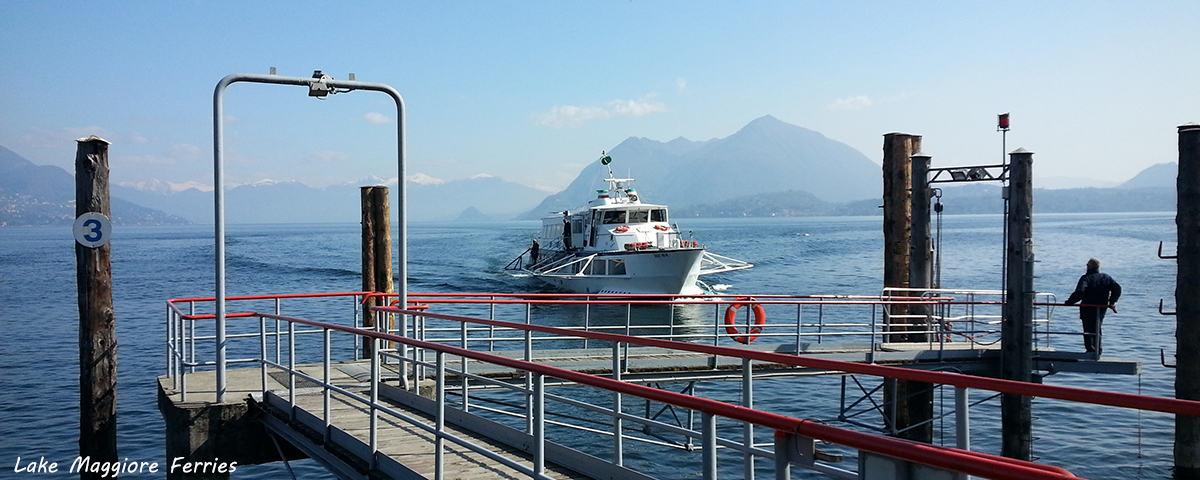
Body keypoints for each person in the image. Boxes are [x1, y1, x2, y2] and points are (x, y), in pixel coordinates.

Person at [1064, 258, 1121, 355]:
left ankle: (1091, 349)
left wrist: (1070, 302)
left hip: (1087, 307)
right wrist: (1112, 302)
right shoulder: (1106, 277)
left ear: (1089, 267)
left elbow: (1080, 292)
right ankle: (1098, 350)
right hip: (1101, 307)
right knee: (1097, 327)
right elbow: (1117, 288)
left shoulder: (1086, 278)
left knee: (1088, 329)